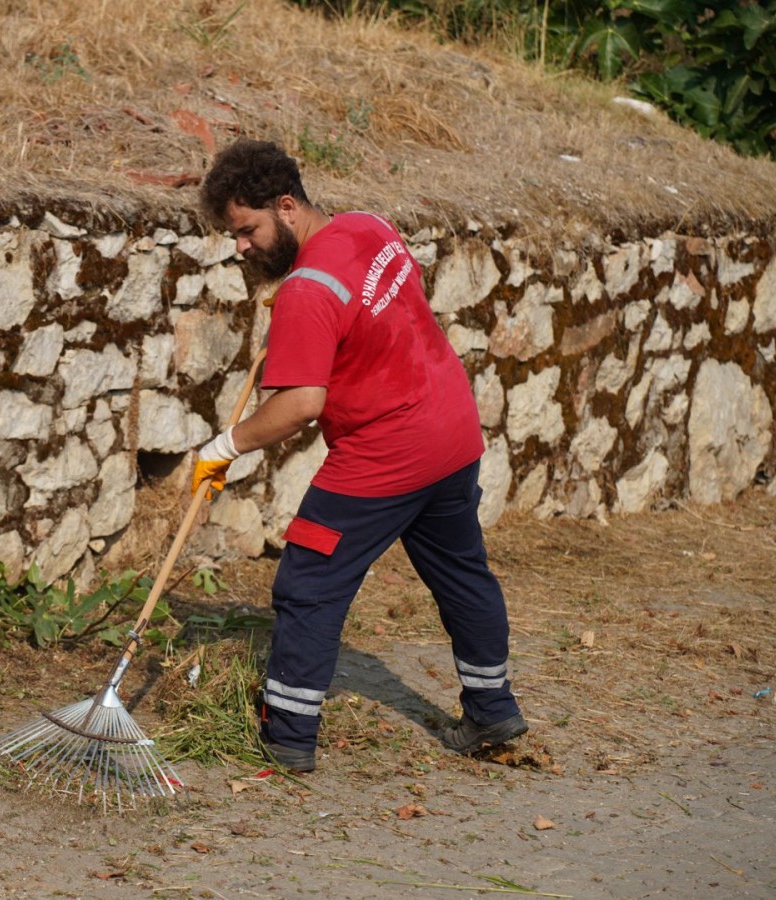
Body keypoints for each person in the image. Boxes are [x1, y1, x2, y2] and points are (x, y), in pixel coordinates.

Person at [194, 139, 527, 773]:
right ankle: (492, 707)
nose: (240, 248)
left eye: (247, 231)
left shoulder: (306, 293)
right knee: (462, 572)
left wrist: (224, 445)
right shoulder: (368, 226)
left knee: (309, 582)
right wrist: (309, 310)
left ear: (286, 206)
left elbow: (300, 405)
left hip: (387, 452)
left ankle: (287, 733)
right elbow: (385, 303)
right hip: (451, 427)